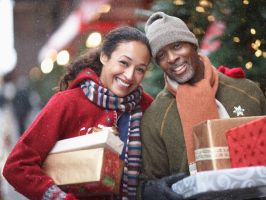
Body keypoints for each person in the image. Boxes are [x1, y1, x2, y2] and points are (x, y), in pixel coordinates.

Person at [2, 26, 153, 200]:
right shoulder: (68, 103)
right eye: (124, 63)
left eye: (140, 69)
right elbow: (17, 166)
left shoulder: (147, 106)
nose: (129, 75)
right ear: (104, 56)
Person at [138, 12, 266, 200]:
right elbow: (148, 184)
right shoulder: (155, 117)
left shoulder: (247, 92)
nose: (172, 58)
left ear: (193, 44)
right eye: (161, 55)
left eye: (177, 46)